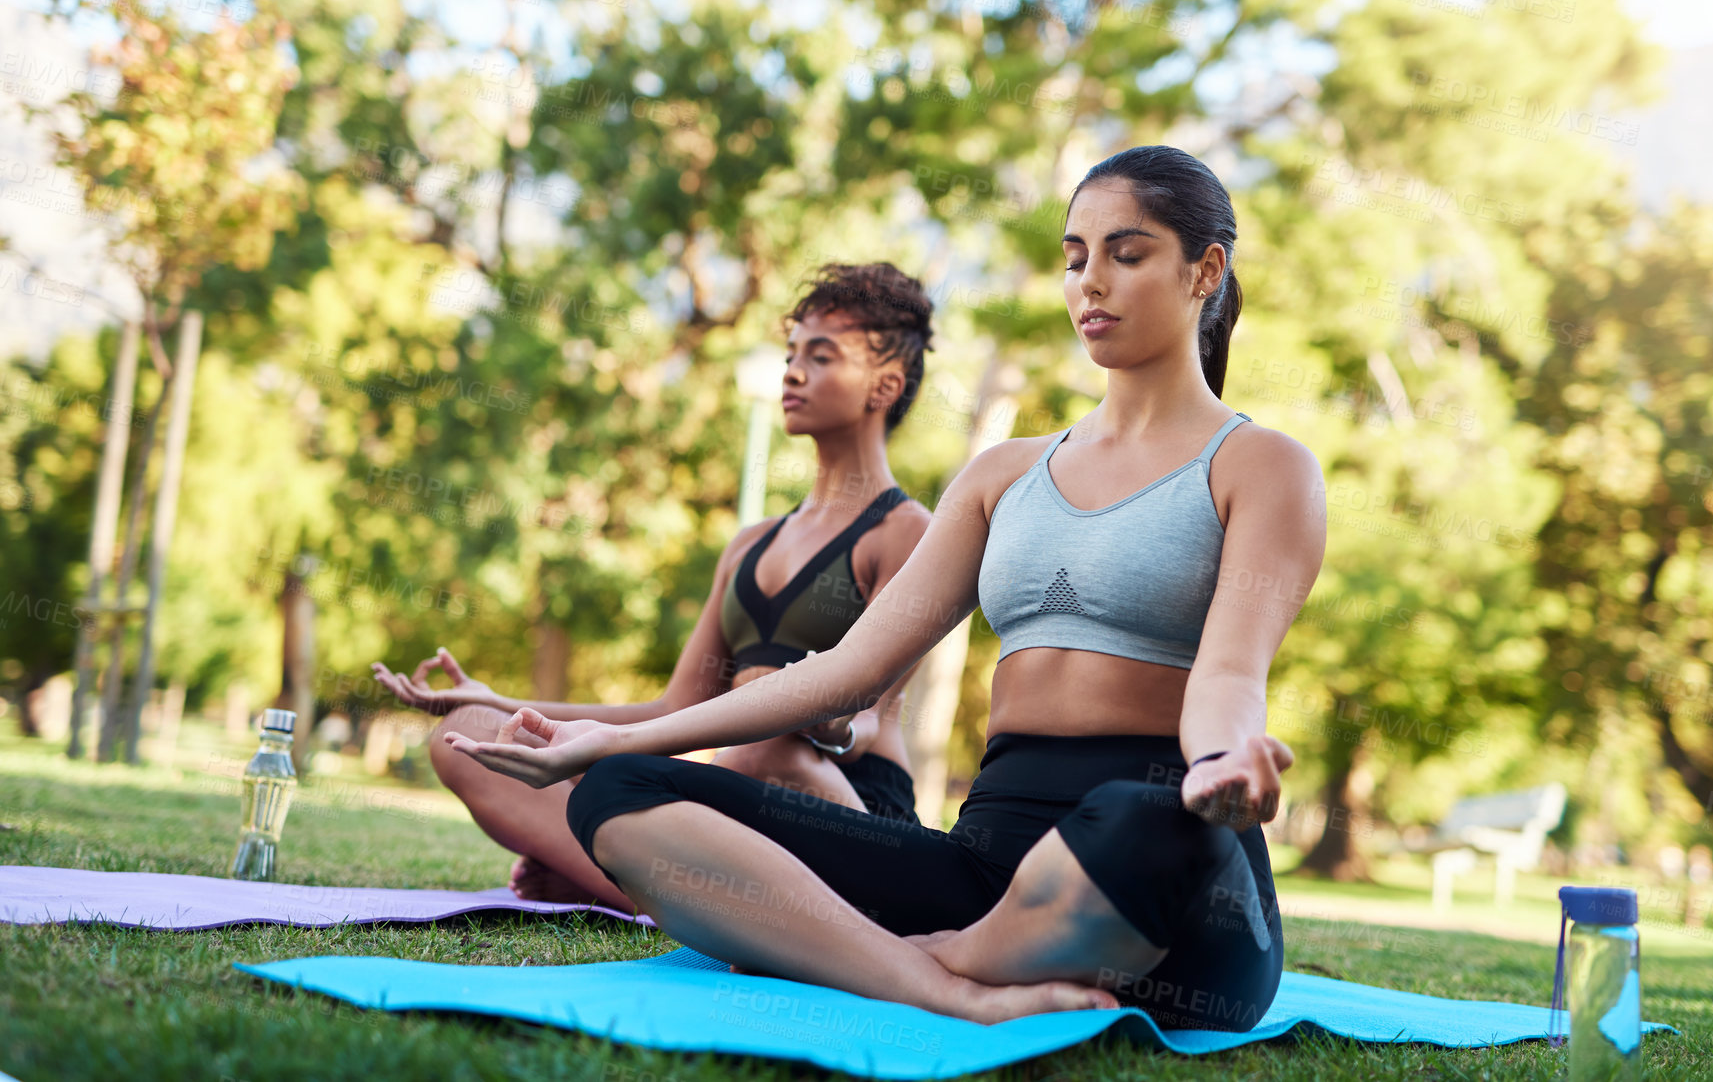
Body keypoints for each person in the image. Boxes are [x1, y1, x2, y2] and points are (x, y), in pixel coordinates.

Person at [431, 146, 1327, 1027]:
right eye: (1072, 257)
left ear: (1204, 270)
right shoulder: (1000, 475)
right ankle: (938, 978)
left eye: (1126, 255)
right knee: (622, 792)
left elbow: (1227, 677)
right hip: (980, 873)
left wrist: (1220, 767)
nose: (1088, 282)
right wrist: (600, 744)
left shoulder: (1261, 466)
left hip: (1160, 886)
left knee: (1143, 813)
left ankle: (895, 953)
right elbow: (842, 672)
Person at [372, 262, 939, 911]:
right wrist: (498, 701)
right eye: (789, 353)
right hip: (739, 791)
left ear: (884, 385)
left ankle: (648, 881)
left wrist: (817, 717)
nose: (792, 371)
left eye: (821, 355)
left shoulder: (906, 530)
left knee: (761, 734)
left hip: (850, 808)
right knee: (469, 735)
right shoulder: (748, 544)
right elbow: (673, 713)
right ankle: (666, 890)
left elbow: (870, 722)